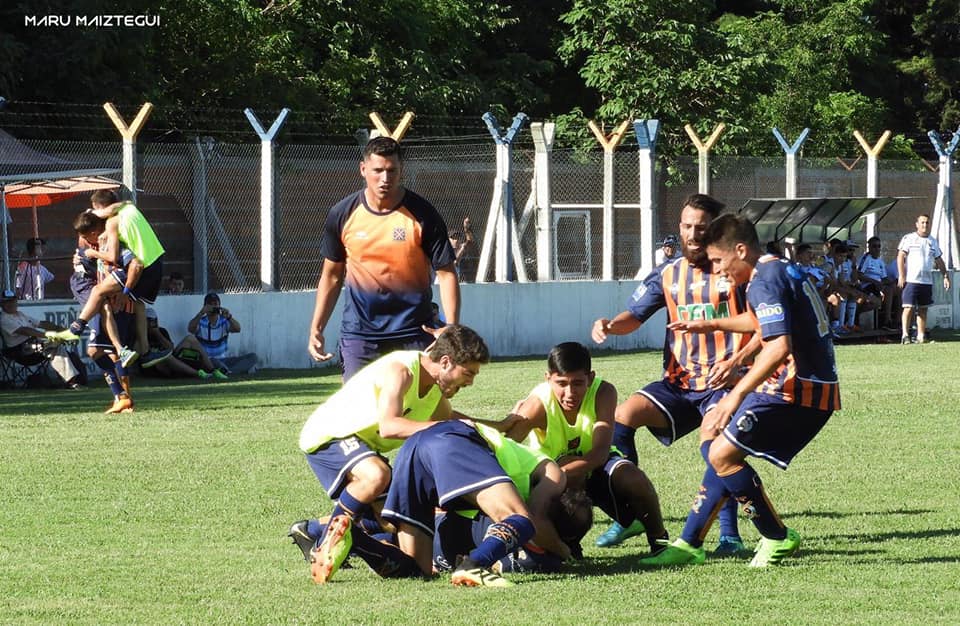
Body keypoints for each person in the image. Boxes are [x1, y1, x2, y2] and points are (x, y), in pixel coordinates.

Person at [645, 213, 839, 568]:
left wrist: (734, 395)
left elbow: (778, 346)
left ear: (740, 250)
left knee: (721, 454)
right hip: (806, 385)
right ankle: (690, 542)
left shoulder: (762, 281)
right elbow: (762, 322)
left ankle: (776, 536)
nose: (717, 270)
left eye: (718, 261)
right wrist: (713, 326)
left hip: (795, 389)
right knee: (719, 446)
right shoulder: (776, 268)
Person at [591, 193, 755, 553]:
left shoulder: (736, 271)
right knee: (623, 417)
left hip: (723, 383)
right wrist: (610, 325)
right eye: (687, 226)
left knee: (717, 447)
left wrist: (741, 361)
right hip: (679, 384)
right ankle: (629, 514)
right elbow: (634, 316)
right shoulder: (668, 273)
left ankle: (730, 535)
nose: (693, 234)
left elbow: (761, 323)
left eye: (701, 227)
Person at [296, 325, 489, 584]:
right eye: (468, 373)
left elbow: (452, 421)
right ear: (445, 362)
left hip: (363, 446)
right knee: (376, 475)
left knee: (394, 523)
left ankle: (314, 531)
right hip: (330, 434)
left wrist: (500, 426)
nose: (470, 382)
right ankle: (325, 547)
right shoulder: (402, 370)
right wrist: (444, 427)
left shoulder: (435, 390)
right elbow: (389, 426)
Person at [307, 136, 461, 381]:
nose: (385, 179)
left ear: (401, 171)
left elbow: (446, 273)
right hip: (360, 334)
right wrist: (317, 328)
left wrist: (450, 327)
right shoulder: (342, 214)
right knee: (359, 403)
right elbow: (332, 276)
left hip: (414, 332)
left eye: (392, 171)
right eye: (378, 170)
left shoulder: (424, 214)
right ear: (363, 169)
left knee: (418, 403)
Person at [505, 341, 669, 555]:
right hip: (552, 479)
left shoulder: (604, 392)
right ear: (548, 379)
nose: (570, 393)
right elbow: (505, 448)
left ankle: (661, 543)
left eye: (578, 383)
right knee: (574, 501)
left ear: (590, 378)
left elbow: (600, 453)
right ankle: (569, 545)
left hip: (593, 464)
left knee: (633, 477)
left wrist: (562, 471)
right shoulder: (536, 405)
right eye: (561, 383)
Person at [52, 190, 168, 366]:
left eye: (95, 209)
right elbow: (122, 205)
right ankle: (145, 351)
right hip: (156, 261)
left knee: (99, 291)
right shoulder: (129, 208)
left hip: (142, 264)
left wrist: (92, 252)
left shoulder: (112, 221)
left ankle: (76, 328)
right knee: (138, 304)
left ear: (100, 208)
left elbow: (114, 256)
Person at [1, 289, 84, 389]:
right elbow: (25, 330)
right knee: (54, 345)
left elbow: (41, 323)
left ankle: (71, 380)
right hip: (19, 351)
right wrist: (48, 335)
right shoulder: (3, 319)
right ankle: (71, 382)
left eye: (12, 301)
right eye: (7, 302)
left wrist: (60, 328)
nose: (10, 304)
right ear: (2, 304)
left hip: (34, 346)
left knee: (56, 344)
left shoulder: (20, 314)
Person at [897, 214, 950, 344]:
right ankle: (905, 335)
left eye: (927, 223)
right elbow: (900, 256)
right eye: (922, 222)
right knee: (908, 307)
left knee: (923, 309)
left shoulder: (932, 241)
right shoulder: (909, 238)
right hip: (911, 280)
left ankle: (921, 336)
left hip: (926, 281)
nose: (925, 225)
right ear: (917, 224)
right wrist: (902, 275)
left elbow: (939, 260)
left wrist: (945, 276)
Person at [187, 292, 257, 375]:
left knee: (253, 357)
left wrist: (229, 317)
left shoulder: (224, 321)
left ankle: (227, 371)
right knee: (214, 361)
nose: (213, 307)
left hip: (224, 360)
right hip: (208, 360)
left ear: (219, 306)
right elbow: (190, 329)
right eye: (210, 304)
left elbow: (238, 329)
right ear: (205, 306)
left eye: (215, 304)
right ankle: (234, 370)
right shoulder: (201, 321)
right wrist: (201, 313)